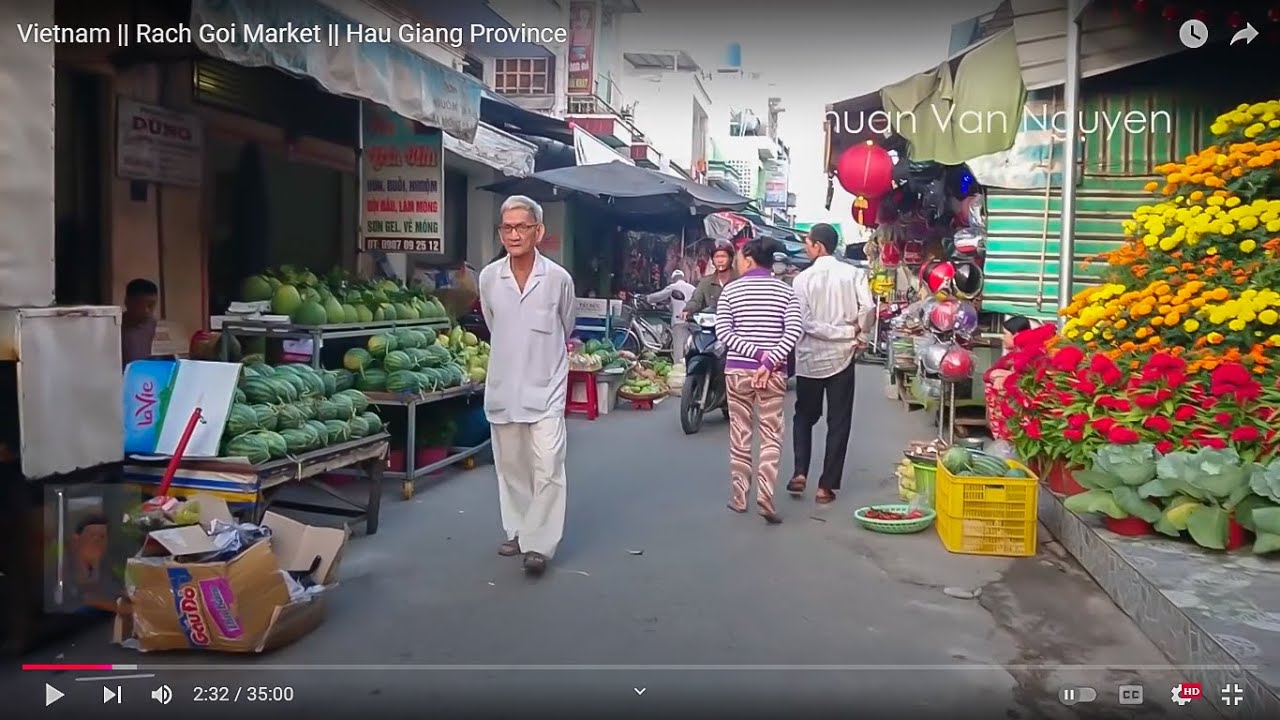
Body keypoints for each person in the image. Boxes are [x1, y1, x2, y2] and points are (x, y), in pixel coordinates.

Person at [479, 195, 576, 576]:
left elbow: (566, 324)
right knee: (512, 466)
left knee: (549, 464)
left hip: (547, 385)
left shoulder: (557, 279)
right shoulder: (489, 277)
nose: (514, 234)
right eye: (507, 227)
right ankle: (518, 530)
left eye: (522, 226)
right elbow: (493, 324)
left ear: (539, 231)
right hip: (504, 386)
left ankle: (540, 544)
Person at [715, 238, 802, 524]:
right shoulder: (785, 291)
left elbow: (724, 332)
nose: (737, 261)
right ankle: (766, 495)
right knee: (771, 436)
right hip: (772, 374)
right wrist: (769, 360)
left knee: (740, 435)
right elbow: (794, 332)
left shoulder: (731, 290)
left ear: (749, 259)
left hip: (738, 371)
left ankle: (740, 498)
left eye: (739, 257)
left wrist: (755, 354)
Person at [787, 223, 875, 505]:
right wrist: (857, 334)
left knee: (804, 415)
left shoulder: (802, 280)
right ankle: (825, 486)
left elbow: (803, 322)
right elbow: (869, 308)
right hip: (843, 355)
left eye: (807, 243)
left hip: (810, 357)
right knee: (839, 421)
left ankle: (800, 471)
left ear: (818, 247)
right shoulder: (853, 274)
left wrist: (836, 333)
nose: (805, 247)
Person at [646, 270, 696, 361]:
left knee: (678, 349)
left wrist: (647, 298)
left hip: (679, 321)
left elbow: (658, 296)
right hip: (693, 321)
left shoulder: (673, 287)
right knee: (690, 347)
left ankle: (679, 369)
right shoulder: (692, 288)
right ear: (683, 278)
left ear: (673, 279)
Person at [683, 240, 736, 316]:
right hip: (709, 323)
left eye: (723, 256)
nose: (720, 260)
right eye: (717, 257)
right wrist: (687, 310)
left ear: (730, 258)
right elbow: (696, 301)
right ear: (712, 261)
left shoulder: (740, 281)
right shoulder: (705, 282)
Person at [121, 278, 159, 367]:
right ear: (127, 302)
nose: (146, 310)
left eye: (151, 305)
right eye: (139, 305)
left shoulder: (151, 323)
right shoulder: (116, 326)